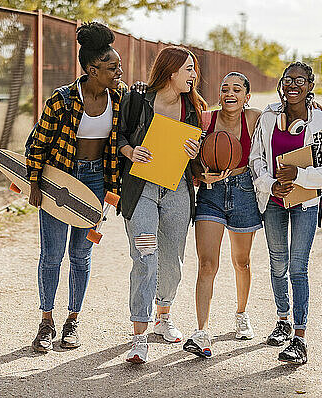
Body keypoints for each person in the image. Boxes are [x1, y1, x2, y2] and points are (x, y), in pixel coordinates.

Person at [26, 22, 128, 353]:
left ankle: (73, 320)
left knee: (81, 254)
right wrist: (35, 183)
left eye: (118, 66)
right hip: (59, 180)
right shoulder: (62, 99)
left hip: (97, 180)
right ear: (90, 69)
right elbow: (38, 144)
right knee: (52, 254)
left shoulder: (120, 97)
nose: (118, 71)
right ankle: (46, 322)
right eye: (112, 68)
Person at [249, 62, 322, 364]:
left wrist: (300, 176)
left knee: (298, 268)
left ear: (309, 85)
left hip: (305, 204)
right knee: (278, 265)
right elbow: (256, 159)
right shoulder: (267, 117)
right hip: (274, 202)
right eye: (288, 80)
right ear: (281, 83)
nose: (293, 85)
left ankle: (299, 339)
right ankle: (282, 321)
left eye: (300, 81)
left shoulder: (321, 123)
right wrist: (270, 184)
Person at [118, 46, 207, 364]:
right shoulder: (138, 98)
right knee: (145, 258)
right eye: (188, 69)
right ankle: (138, 338)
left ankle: (163, 315)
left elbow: (200, 150)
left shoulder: (194, 106)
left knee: (172, 263)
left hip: (177, 191)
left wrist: (195, 150)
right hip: (141, 189)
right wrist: (131, 152)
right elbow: (120, 136)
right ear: (170, 71)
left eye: (194, 69)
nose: (194, 75)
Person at [182, 72, 263, 358]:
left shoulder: (254, 118)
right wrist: (201, 175)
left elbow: (286, 115)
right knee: (207, 264)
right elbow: (189, 156)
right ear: (219, 95)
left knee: (241, 262)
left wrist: (314, 107)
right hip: (211, 195)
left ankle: (241, 314)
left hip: (244, 192)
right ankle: (201, 331)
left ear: (246, 96)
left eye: (237, 89)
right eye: (225, 88)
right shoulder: (206, 120)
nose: (230, 93)